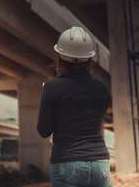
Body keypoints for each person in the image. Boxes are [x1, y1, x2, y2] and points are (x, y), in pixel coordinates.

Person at [37, 26, 112, 187]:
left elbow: (44, 131)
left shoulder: (51, 88)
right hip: (100, 163)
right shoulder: (103, 88)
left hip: (67, 161)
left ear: (60, 56)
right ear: (89, 58)